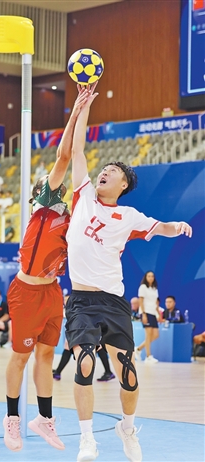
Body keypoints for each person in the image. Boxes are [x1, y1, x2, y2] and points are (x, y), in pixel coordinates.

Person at [64, 83, 192, 462]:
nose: (104, 172)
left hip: (114, 302)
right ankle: (87, 440)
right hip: (82, 301)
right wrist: (82, 107)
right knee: (85, 362)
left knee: (128, 373)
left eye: (113, 171)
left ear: (123, 185)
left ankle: (128, 428)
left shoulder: (128, 216)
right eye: (103, 169)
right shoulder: (83, 196)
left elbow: (159, 226)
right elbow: (76, 150)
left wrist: (176, 226)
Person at [3, 87, 90, 452]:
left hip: (53, 292)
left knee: (45, 356)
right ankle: (11, 419)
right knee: (21, 356)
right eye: (50, 181)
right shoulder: (43, 205)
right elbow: (65, 155)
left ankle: (44, 419)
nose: (55, 182)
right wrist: (76, 112)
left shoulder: (71, 217)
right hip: (26, 290)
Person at [134, 271, 161, 363]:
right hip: (146, 312)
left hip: (153, 313)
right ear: (146, 277)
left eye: (152, 276)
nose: (150, 278)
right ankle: (148, 356)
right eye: (149, 276)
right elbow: (141, 301)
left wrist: (158, 314)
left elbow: (156, 303)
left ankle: (138, 349)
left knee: (156, 335)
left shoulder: (154, 289)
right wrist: (144, 314)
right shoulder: (143, 287)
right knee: (148, 335)